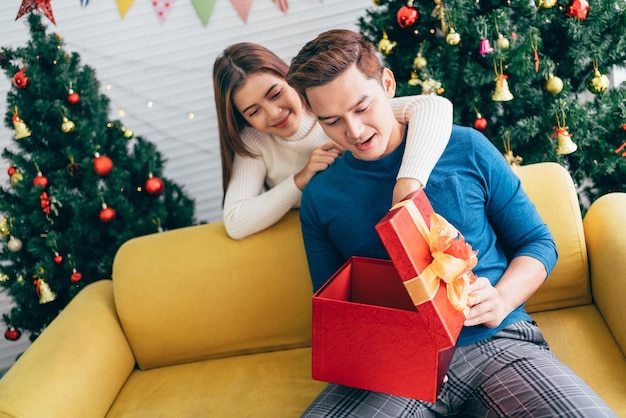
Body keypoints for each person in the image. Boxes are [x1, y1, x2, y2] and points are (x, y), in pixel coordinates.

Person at [286, 29, 617, 417]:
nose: (354, 131)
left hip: (496, 343)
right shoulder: (321, 197)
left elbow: (538, 243)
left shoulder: (466, 148)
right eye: (332, 121)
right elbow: (335, 310)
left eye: (362, 108)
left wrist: (503, 299)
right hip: (393, 371)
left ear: (388, 84)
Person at [213, 42, 453, 240]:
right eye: (254, 112)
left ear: (290, 80)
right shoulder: (256, 141)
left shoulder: (333, 108)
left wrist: (408, 183)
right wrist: (300, 179)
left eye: (276, 94)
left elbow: (432, 106)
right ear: (242, 118)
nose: (274, 113)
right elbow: (235, 222)